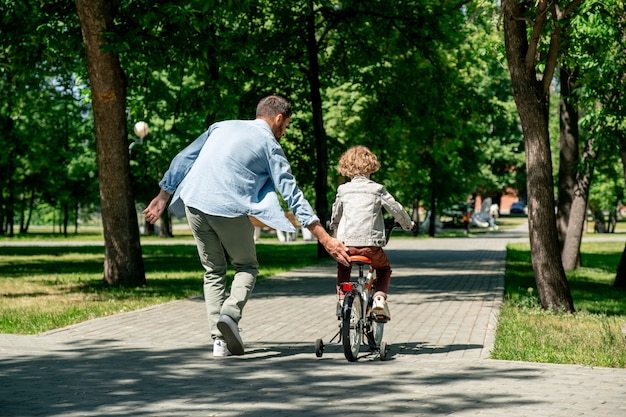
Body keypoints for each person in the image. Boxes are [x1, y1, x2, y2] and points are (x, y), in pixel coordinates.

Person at [143, 95, 350, 357]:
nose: (284, 133)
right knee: (247, 266)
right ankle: (229, 315)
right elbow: (293, 195)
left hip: (193, 201)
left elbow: (184, 158)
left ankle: (219, 342)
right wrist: (325, 239)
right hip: (226, 208)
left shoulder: (221, 126)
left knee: (213, 270)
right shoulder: (270, 145)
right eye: (285, 126)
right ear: (278, 119)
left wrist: (162, 197)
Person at [329, 145, 415, 322]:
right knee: (384, 269)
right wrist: (408, 225)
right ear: (372, 165)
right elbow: (396, 209)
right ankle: (378, 299)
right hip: (371, 246)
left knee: (343, 265)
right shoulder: (377, 189)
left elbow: (335, 215)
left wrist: (334, 231)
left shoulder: (343, 190)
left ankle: (342, 300)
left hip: (347, 246)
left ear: (347, 167)